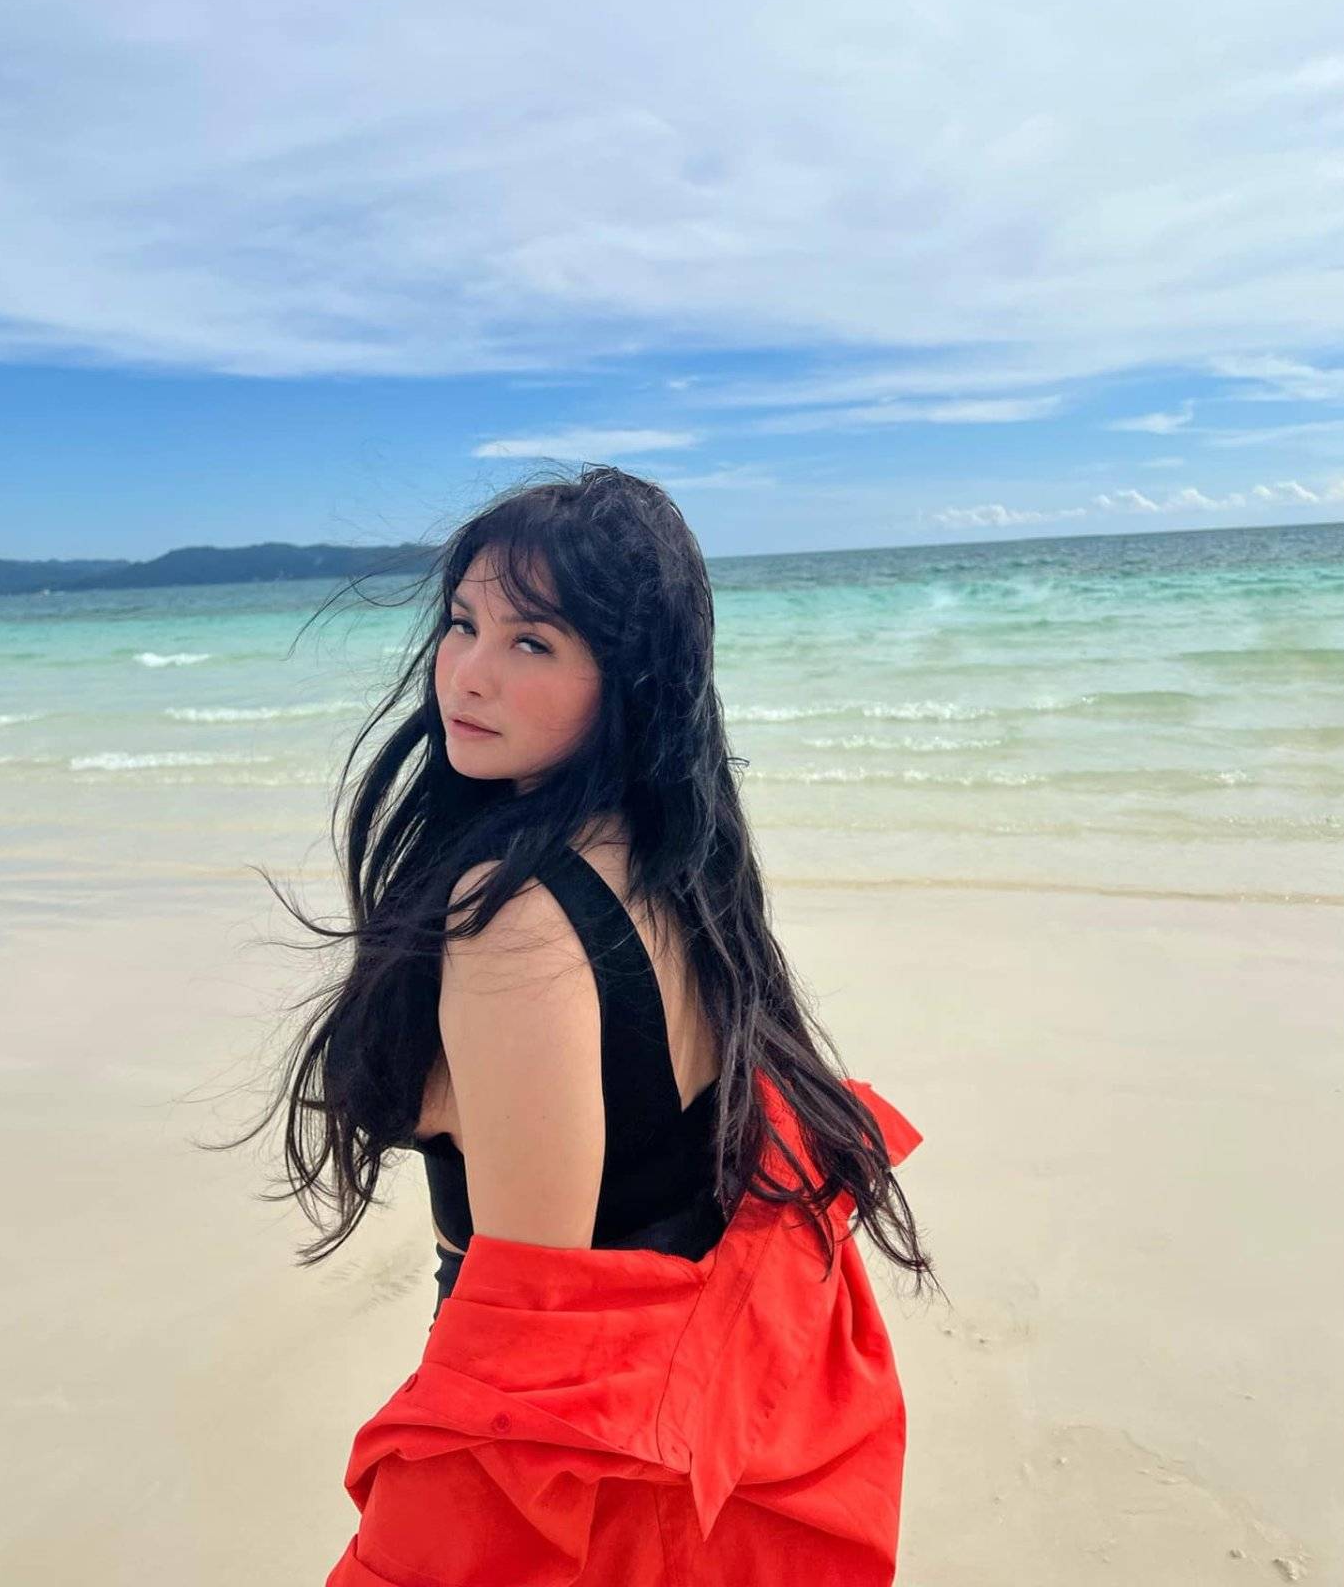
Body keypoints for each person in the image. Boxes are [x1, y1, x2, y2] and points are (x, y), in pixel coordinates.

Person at [228, 463, 943, 1583]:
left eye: (532, 643)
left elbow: (536, 1329)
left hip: (589, 1450)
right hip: (681, 1404)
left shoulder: (512, 918)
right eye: (461, 623)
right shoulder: (675, 856)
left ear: (628, 682)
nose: (467, 673)